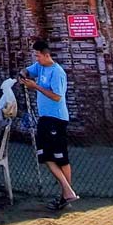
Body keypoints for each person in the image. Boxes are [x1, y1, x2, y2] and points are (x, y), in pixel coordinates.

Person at [17, 39, 78, 210]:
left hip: (56, 118)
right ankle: (67, 193)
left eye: (38, 56)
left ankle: (66, 193)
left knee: (59, 158)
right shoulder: (40, 67)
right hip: (45, 117)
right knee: (45, 155)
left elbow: (57, 96)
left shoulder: (57, 72)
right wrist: (23, 74)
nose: (36, 59)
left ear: (46, 55)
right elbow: (28, 70)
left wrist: (35, 86)